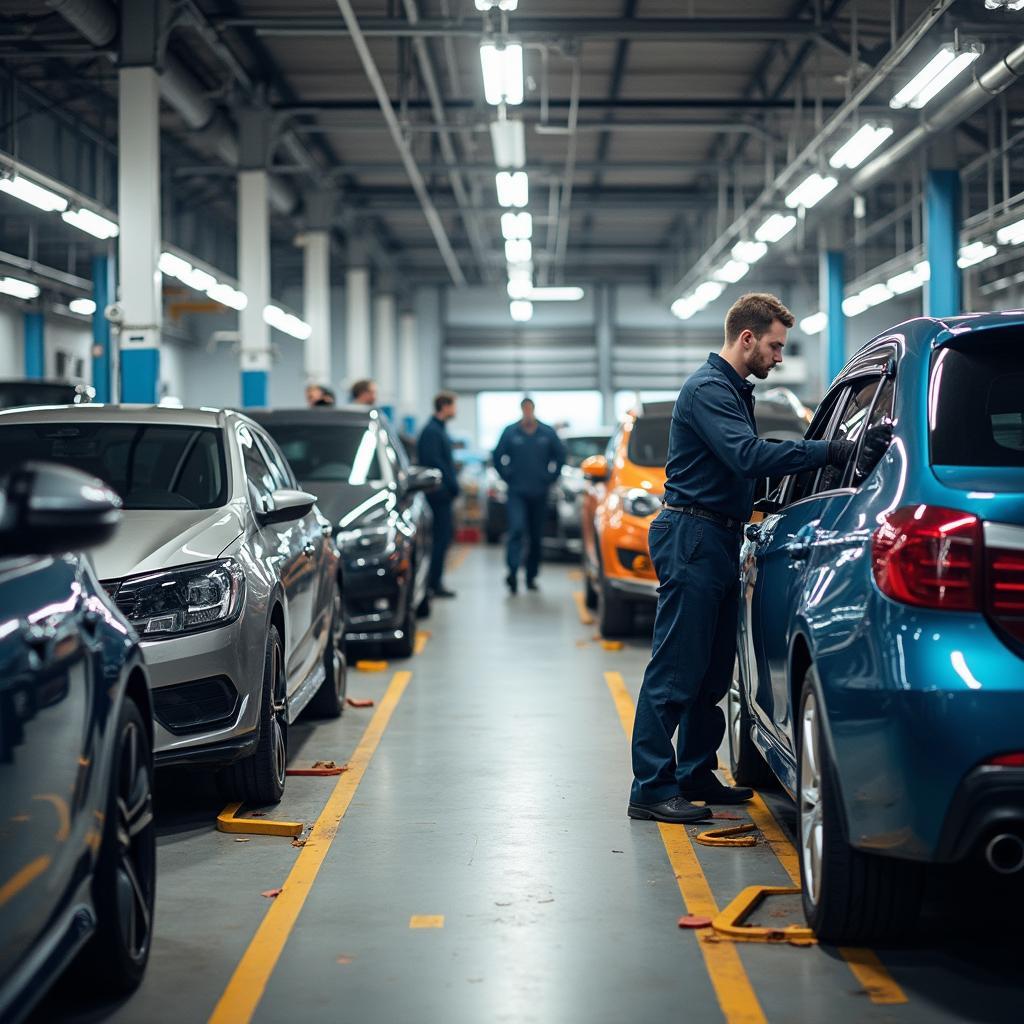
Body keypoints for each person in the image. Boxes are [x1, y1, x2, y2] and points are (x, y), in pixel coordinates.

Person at [627, 293, 880, 825]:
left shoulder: (732, 390)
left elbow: (734, 469)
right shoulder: (708, 389)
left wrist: (761, 499)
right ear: (747, 339)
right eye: (774, 345)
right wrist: (831, 451)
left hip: (717, 534)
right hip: (692, 536)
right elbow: (747, 455)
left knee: (713, 672)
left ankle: (695, 773)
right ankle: (650, 788)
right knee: (675, 672)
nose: (779, 357)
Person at [492, 397, 565, 595]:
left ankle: (531, 575)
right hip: (516, 491)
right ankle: (513, 572)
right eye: (524, 409)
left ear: (533, 409)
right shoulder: (510, 432)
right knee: (516, 529)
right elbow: (497, 456)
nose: (527, 413)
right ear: (521, 410)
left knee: (535, 536)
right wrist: (507, 476)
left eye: (529, 409)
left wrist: (550, 477)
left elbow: (560, 456)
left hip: (539, 492)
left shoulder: (547, 433)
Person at [417, 391, 460, 599]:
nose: (456, 410)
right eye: (454, 405)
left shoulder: (439, 430)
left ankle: (436, 581)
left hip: (442, 494)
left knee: (443, 539)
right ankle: (433, 584)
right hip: (438, 496)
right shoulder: (432, 432)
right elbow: (436, 464)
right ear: (444, 406)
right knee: (439, 540)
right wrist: (451, 485)